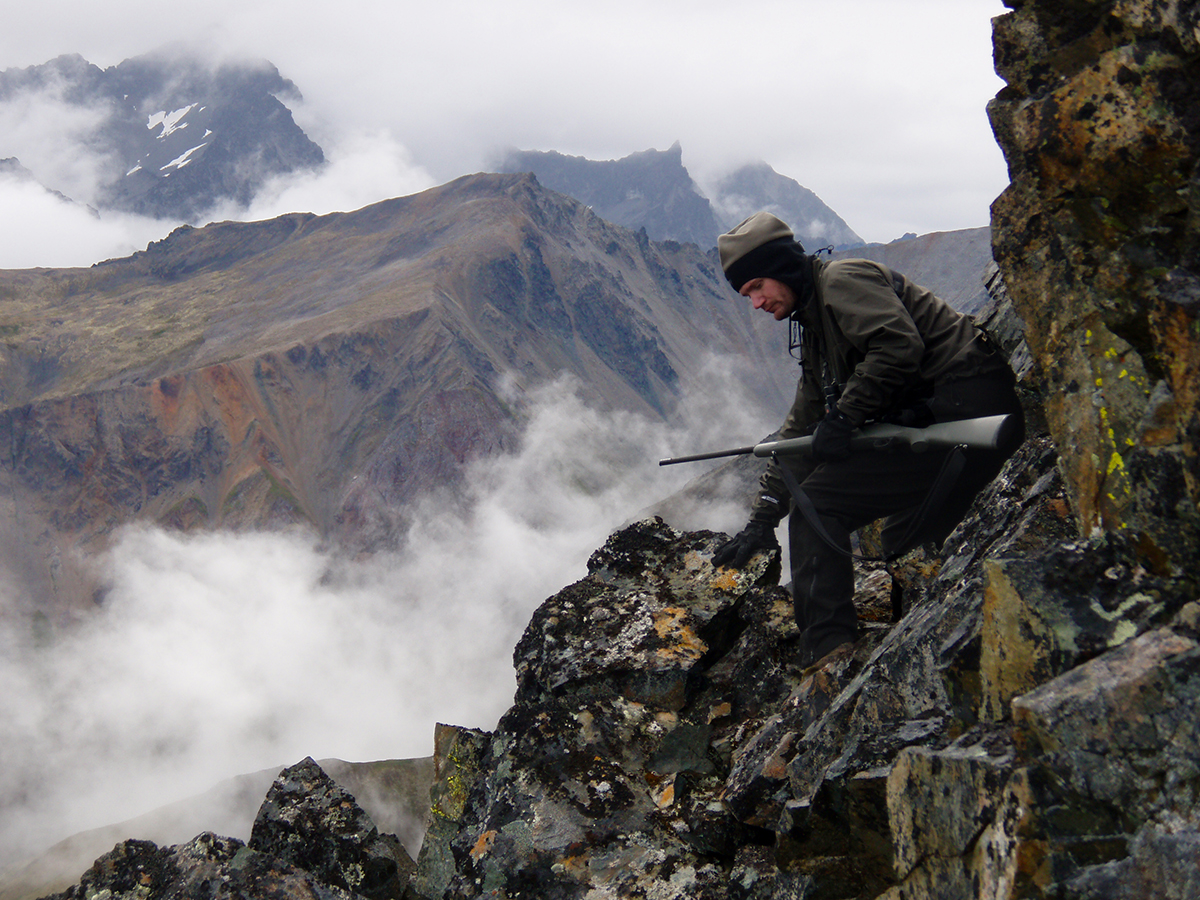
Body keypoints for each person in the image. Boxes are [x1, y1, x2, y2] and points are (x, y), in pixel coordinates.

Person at [712, 211, 1024, 668]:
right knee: (899, 538)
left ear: (779, 267)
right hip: (944, 419)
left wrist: (844, 417)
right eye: (746, 295)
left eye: (757, 286)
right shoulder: (815, 322)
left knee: (819, 505)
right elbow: (799, 429)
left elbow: (899, 347)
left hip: (968, 408)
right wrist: (761, 521)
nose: (755, 302)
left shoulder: (841, 280)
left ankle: (828, 654)